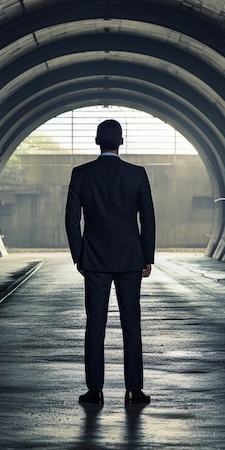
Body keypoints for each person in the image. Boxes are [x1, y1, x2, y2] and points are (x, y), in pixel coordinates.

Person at [65, 119, 156, 407]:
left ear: (97, 141)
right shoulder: (137, 174)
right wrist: (146, 256)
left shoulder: (81, 174)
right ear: (121, 142)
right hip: (130, 260)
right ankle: (134, 391)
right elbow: (148, 218)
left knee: (95, 325)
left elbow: (71, 219)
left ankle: (95, 391)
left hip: (94, 260)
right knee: (131, 324)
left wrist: (79, 255)